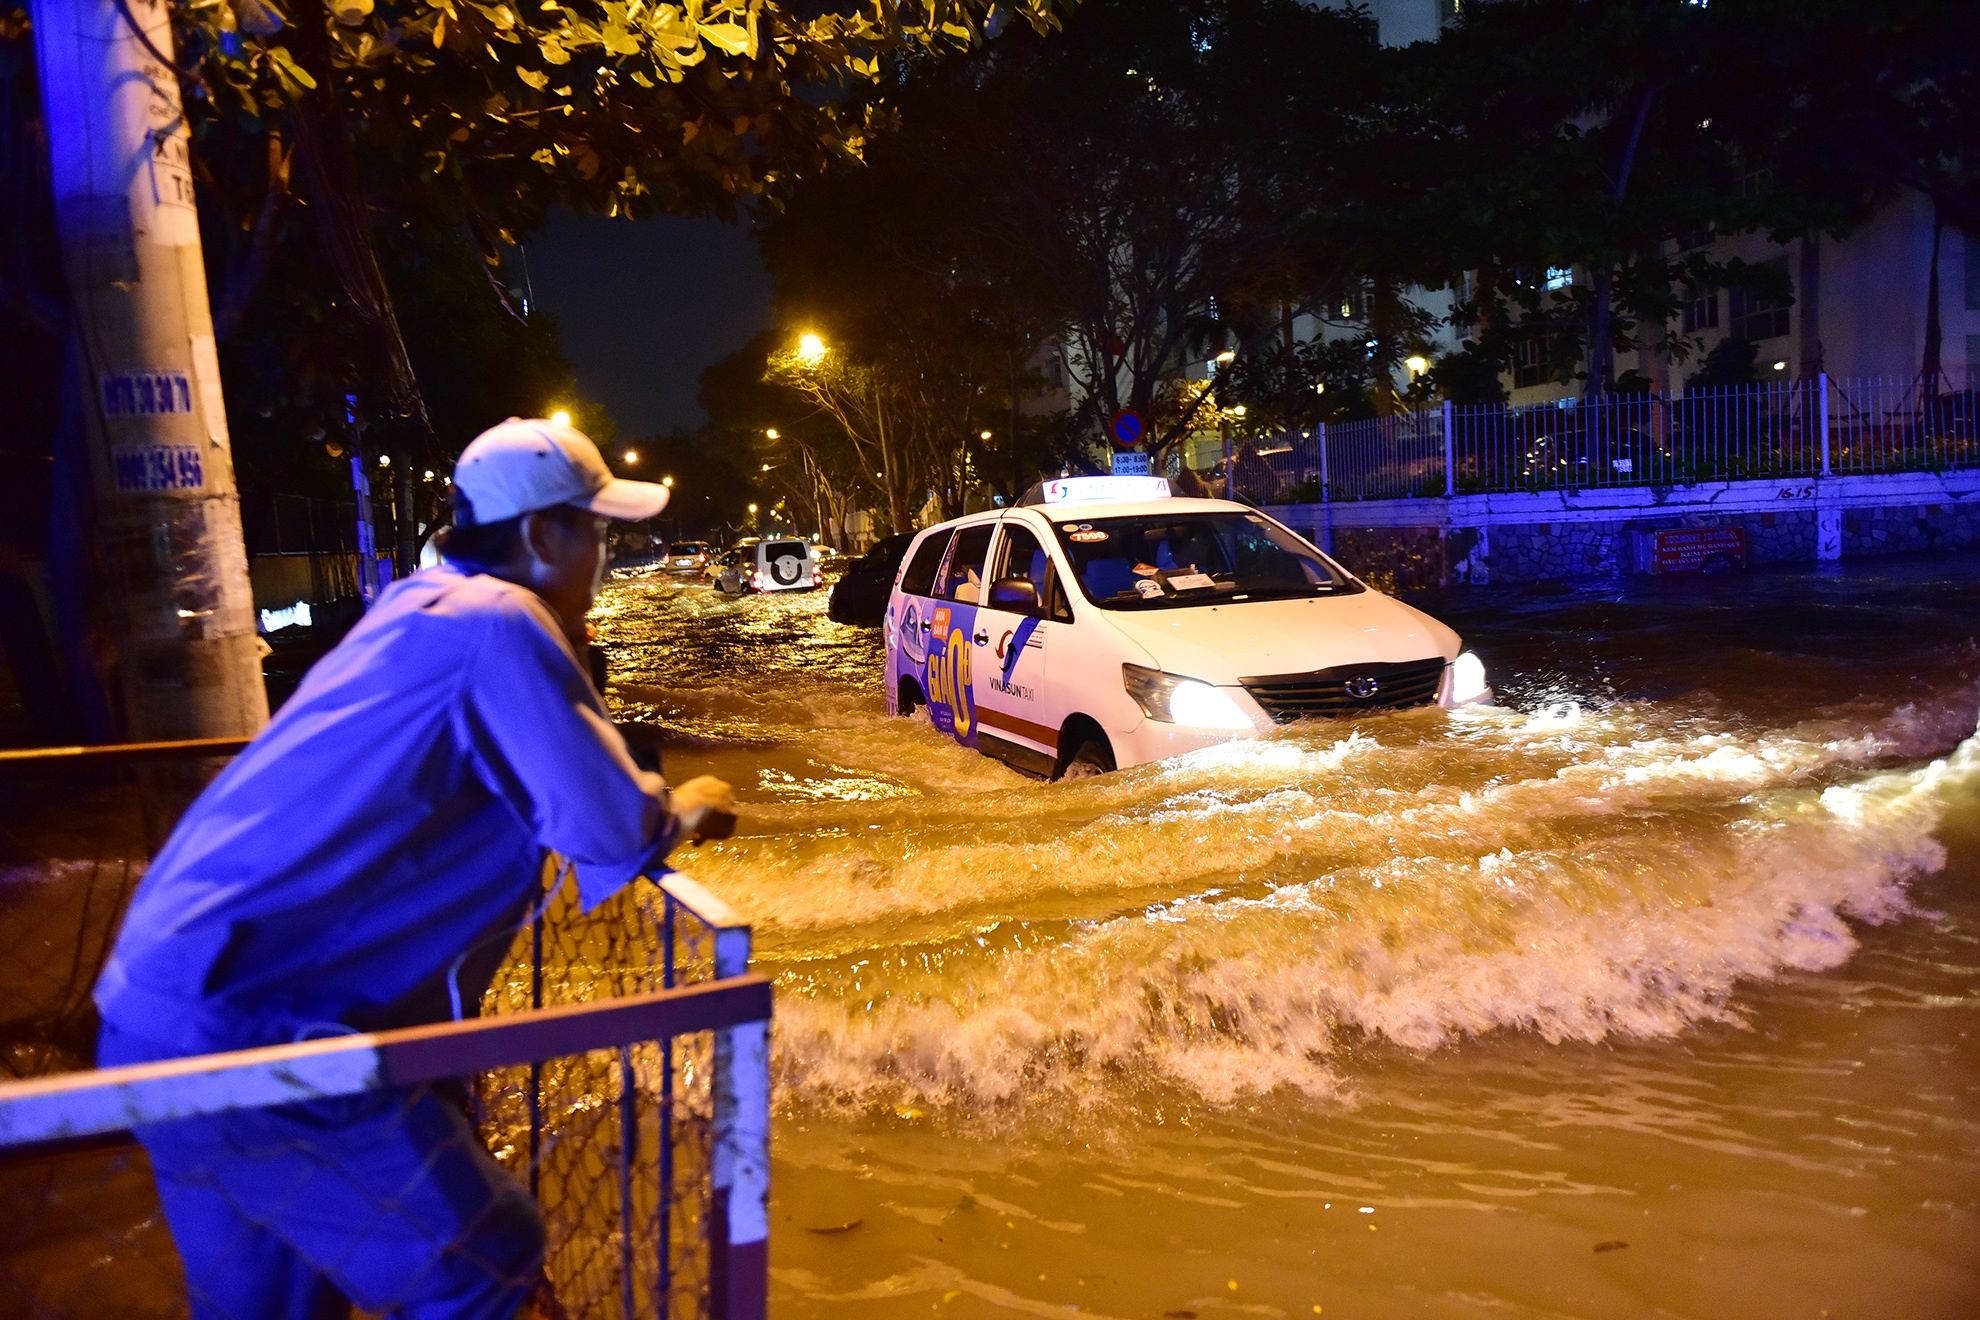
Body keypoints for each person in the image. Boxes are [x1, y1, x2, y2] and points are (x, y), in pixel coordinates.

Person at [94, 417, 736, 1319]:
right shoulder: (501, 620)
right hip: (263, 1031)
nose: (602, 550)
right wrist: (686, 804)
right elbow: (606, 822)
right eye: (595, 528)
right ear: (540, 534)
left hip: (152, 1008)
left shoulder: (412, 607)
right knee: (490, 1259)